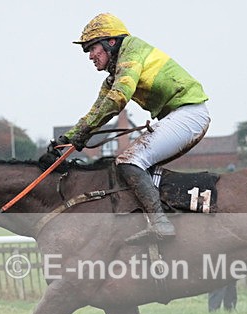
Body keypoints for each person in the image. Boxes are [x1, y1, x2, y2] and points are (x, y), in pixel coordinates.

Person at [51, 13, 210, 243]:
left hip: (188, 113)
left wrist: (83, 133)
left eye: (92, 48)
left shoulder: (132, 51)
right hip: (179, 116)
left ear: (111, 42)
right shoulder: (113, 76)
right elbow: (97, 110)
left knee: (129, 160)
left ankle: (161, 224)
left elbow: (117, 99)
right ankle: (166, 216)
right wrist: (68, 138)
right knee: (137, 166)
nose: (90, 56)